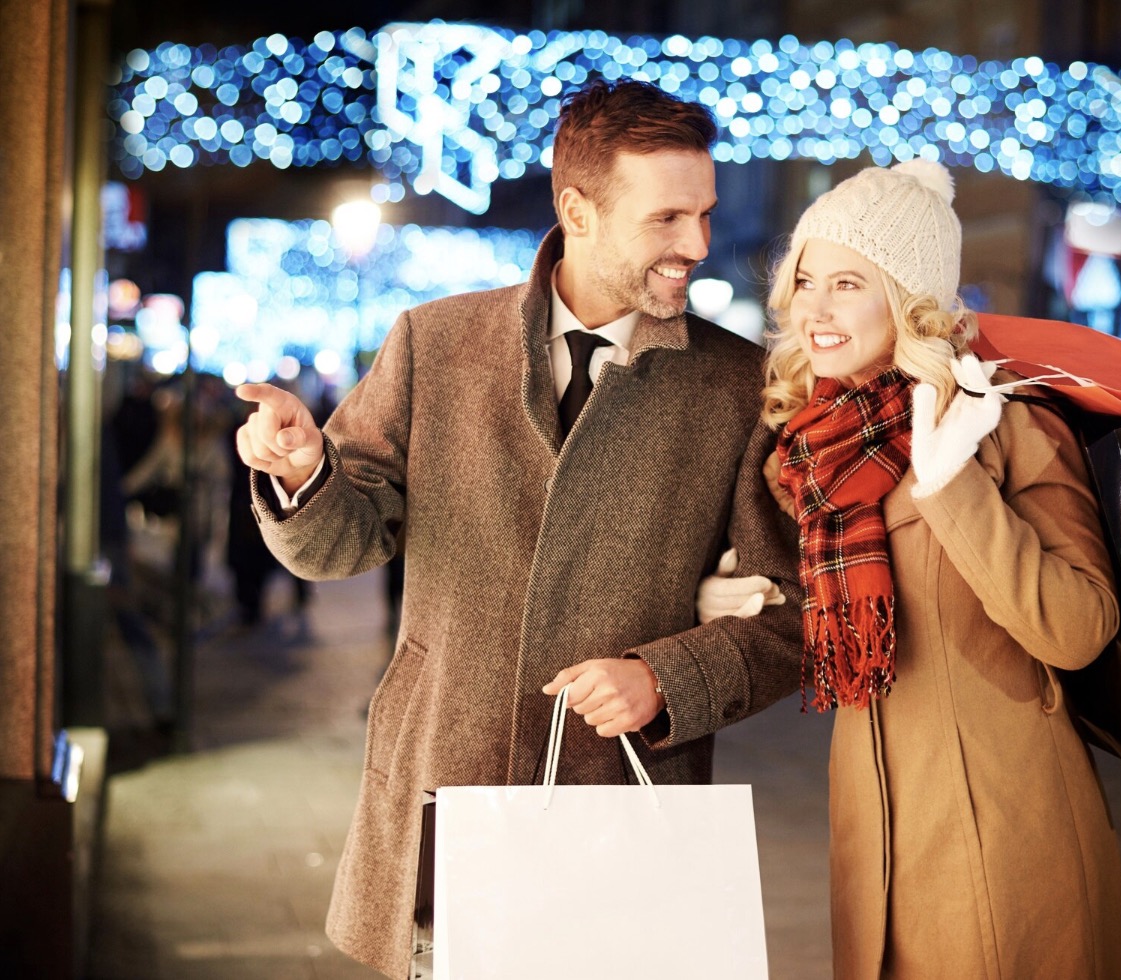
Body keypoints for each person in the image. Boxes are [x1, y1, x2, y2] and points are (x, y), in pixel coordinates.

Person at [232, 80, 803, 978]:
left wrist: (667, 678)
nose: (696, 245)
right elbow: (344, 543)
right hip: (442, 793)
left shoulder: (741, 386)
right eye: (667, 219)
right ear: (577, 210)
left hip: (622, 809)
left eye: (704, 214)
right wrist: (305, 471)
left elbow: (794, 618)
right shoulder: (434, 342)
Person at [706, 159, 1121, 978]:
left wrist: (950, 486)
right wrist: (727, 591)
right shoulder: (808, 448)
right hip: (874, 831)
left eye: (848, 283)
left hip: (1000, 826)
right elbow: (824, 611)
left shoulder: (1000, 422)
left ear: (910, 296)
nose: (816, 309)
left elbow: (1078, 630)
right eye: (805, 280)